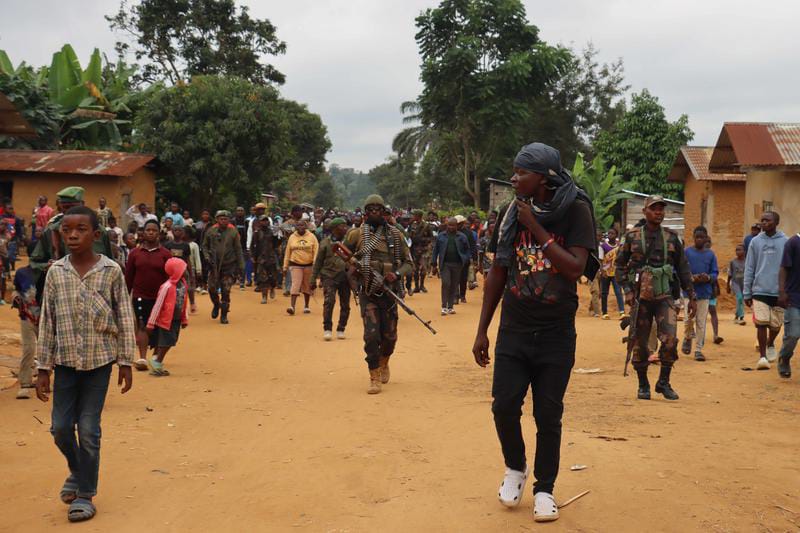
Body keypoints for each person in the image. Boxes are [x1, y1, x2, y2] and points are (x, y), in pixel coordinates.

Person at [472, 143, 596, 523]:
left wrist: (536, 228)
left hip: (556, 333)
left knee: (548, 414)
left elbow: (575, 268)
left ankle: (545, 488)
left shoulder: (576, 209)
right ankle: (515, 467)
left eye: (521, 172)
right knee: (504, 406)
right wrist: (482, 330)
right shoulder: (512, 212)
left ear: (543, 178)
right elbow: (499, 271)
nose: (513, 178)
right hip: (515, 329)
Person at [34, 205, 135, 523]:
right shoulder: (56, 272)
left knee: (89, 430)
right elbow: (47, 321)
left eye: (80, 229)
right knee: (61, 428)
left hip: (99, 361)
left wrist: (126, 361)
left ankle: (85, 494)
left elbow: (124, 316)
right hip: (64, 362)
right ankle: (78, 471)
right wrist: (42, 367)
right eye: (67, 230)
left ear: (96, 234)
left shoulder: (111, 270)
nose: (73, 235)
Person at [616, 195, 695, 401]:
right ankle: (643, 384)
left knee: (670, 340)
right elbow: (619, 266)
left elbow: (683, 268)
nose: (658, 212)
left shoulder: (671, 238)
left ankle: (663, 382)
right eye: (654, 209)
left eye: (661, 209)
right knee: (640, 343)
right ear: (645, 212)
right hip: (640, 299)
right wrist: (628, 291)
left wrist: (691, 295)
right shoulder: (632, 237)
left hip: (664, 296)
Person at [343, 194, 412, 395]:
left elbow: (409, 263)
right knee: (371, 336)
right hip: (369, 292)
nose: (374, 212)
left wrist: (396, 274)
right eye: (370, 209)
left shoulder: (396, 235)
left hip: (390, 293)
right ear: (365, 213)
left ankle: (384, 361)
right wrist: (353, 269)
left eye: (378, 209)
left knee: (390, 337)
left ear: (384, 212)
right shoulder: (355, 235)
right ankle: (374, 375)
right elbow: (342, 257)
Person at [30, 187, 114, 275]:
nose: (71, 211)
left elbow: (109, 261)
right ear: (60, 207)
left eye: (74, 207)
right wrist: (47, 266)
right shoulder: (51, 232)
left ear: (83, 205)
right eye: (66, 207)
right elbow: (34, 262)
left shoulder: (98, 230)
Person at [743, 211, 788, 370]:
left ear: (776, 222)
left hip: (779, 291)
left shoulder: (786, 242)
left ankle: (770, 343)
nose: (763, 223)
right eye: (762, 220)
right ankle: (762, 357)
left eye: (767, 220)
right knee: (761, 323)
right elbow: (749, 267)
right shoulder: (755, 242)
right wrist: (747, 292)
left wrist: (787, 291)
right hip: (759, 289)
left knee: (775, 325)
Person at [125, 220, 171, 370]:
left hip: (160, 298)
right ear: (143, 233)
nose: (151, 232)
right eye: (148, 230)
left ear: (159, 233)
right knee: (142, 325)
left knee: (158, 327)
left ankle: (156, 356)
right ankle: (143, 358)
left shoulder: (165, 254)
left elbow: (170, 278)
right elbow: (129, 277)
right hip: (140, 296)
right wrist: (125, 295)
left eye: (154, 230)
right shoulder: (135, 254)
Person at [145, 257, 189, 376]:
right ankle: (157, 362)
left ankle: (156, 360)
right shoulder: (167, 286)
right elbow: (158, 305)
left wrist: (184, 319)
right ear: (176, 270)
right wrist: (151, 323)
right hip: (165, 320)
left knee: (169, 341)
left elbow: (184, 302)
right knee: (167, 341)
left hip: (176, 319)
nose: (186, 270)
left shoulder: (183, 284)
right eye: (183, 268)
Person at [681, 227, 719, 361]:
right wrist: (691, 278)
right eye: (697, 237)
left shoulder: (711, 255)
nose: (699, 240)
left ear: (706, 238)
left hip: (704, 293)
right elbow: (681, 270)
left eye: (702, 237)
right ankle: (687, 337)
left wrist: (707, 278)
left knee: (701, 322)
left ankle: (698, 349)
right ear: (693, 237)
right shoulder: (686, 252)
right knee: (688, 319)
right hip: (689, 292)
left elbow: (715, 273)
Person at [202, 210, 244, 324]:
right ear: (217, 219)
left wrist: (241, 266)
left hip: (229, 265)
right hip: (214, 266)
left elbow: (238, 249)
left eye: (226, 219)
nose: (224, 221)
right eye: (221, 218)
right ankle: (216, 304)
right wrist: (206, 257)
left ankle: (224, 315)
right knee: (211, 289)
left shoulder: (233, 232)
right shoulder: (211, 231)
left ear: (229, 220)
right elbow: (204, 246)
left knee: (226, 290)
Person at [312, 218, 350, 340]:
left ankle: (341, 328)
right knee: (329, 302)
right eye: (342, 226)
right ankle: (327, 328)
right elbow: (318, 262)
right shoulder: (324, 243)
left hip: (345, 277)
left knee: (345, 304)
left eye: (346, 226)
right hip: (329, 276)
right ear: (335, 229)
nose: (345, 228)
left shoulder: (349, 243)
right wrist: (313, 279)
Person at [11, 265, 40, 399]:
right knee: (29, 349)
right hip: (26, 316)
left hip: (46, 319)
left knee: (47, 350)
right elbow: (16, 290)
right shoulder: (22, 272)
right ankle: (25, 382)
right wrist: (16, 298)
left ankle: (43, 379)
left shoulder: (51, 271)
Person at [433, 216, 470, 316]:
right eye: (449, 225)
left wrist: (465, 259)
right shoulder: (441, 236)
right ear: (446, 225)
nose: (451, 227)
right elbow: (435, 250)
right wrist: (433, 264)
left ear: (457, 226)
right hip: (445, 264)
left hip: (457, 264)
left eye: (453, 225)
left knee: (454, 285)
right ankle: (444, 307)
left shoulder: (462, 237)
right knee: (446, 283)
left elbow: (467, 250)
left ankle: (450, 307)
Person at [283, 219, 318, 315]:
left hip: (308, 265)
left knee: (307, 286)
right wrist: (285, 267)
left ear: (306, 226)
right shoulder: (292, 237)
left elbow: (316, 251)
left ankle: (306, 306)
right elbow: (287, 252)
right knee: (295, 285)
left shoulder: (312, 237)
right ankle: (292, 307)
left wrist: (315, 264)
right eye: (298, 225)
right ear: (296, 227)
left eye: (302, 225)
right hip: (295, 264)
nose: (300, 227)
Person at [777, 230, 800, 378]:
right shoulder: (793, 242)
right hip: (794, 296)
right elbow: (784, 268)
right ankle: (784, 357)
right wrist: (782, 292)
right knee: (793, 334)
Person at [164, 225, 196, 314]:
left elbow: (188, 260)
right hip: (171, 272)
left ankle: (192, 303)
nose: (177, 231)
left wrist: (191, 273)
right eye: (175, 230)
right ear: (172, 232)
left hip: (183, 271)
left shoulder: (185, 245)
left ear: (182, 233)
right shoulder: (168, 244)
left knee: (187, 288)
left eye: (179, 230)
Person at [251, 214, 279, 304]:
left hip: (271, 257)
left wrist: (277, 236)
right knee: (263, 279)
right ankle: (264, 297)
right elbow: (253, 245)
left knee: (273, 277)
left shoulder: (272, 232)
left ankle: (272, 288)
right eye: (263, 220)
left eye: (266, 220)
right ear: (260, 222)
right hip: (261, 258)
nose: (265, 222)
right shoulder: (256, 232)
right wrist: (253, 256)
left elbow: (276, 245)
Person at [599, 227, 626, 319]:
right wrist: (602, 271)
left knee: (618, 292)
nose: (610, 235)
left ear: (616, 235)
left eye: (612, 234)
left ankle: (622, 312)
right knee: (604, 293)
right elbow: (600, 260)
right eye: (609, 233)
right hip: (606, 272)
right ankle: (604, 313)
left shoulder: (619, 245)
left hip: (615, 272)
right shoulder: (603, 246)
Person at [409, 209, 434, 294]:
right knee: (415, 269)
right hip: (415, 249)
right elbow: (409, 236)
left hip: (424, 249)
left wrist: (424, 240)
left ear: (418, 216)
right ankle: (416, 286)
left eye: (414, 215)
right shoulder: (412, 225)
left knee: (423, 268)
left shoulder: (426, 226)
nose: (413, 217)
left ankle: (422, 285)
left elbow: (431, 237)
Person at [727, 244, 747, 325]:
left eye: (740, 250)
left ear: (744, 251)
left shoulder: (748, 261)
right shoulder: (733, 262)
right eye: (736, 250)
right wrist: (727, 285)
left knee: (741, 300)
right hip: (735, 283)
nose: (738, 251)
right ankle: (741, 317)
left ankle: (736, 315)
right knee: (739, 298)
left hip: (744, 283)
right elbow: (730, 274)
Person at [232, 207, 251, 289]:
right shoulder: (232, 221)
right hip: (233, 247)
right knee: (233, 264)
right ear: (236, 212)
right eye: (238, 211)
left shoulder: (247, 222)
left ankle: (242, 281)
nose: (240, 212)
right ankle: (234, 279)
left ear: (244, 212)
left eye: (241, 211)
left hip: (243, 246)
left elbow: (250, 234)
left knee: (242, 264)